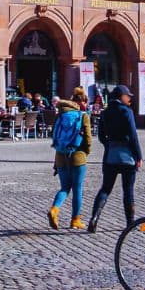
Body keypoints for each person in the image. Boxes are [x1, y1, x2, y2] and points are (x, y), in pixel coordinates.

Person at [87, 84, 143, 234]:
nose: (130, 98)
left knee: (105, 189)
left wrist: (110, 145)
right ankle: (130, 223)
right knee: (128, 190)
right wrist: (139, 155)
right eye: (128, 96)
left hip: (111, 156)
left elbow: (100, 135)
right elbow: (133, 135)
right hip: (127, 156)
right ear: (121, 96)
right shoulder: (127, 111)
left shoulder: (106, 112)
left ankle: (94, 218)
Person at [48, 87, 93, 230]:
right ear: (82, 102)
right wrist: (86, 152)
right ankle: (75, 220)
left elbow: (54, 135)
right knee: (77, 189)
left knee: (65, 187)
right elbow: (88, 138)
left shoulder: (60, 115)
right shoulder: (82, 115)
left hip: (60, 156)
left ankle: (54, 209)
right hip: (77, 156)